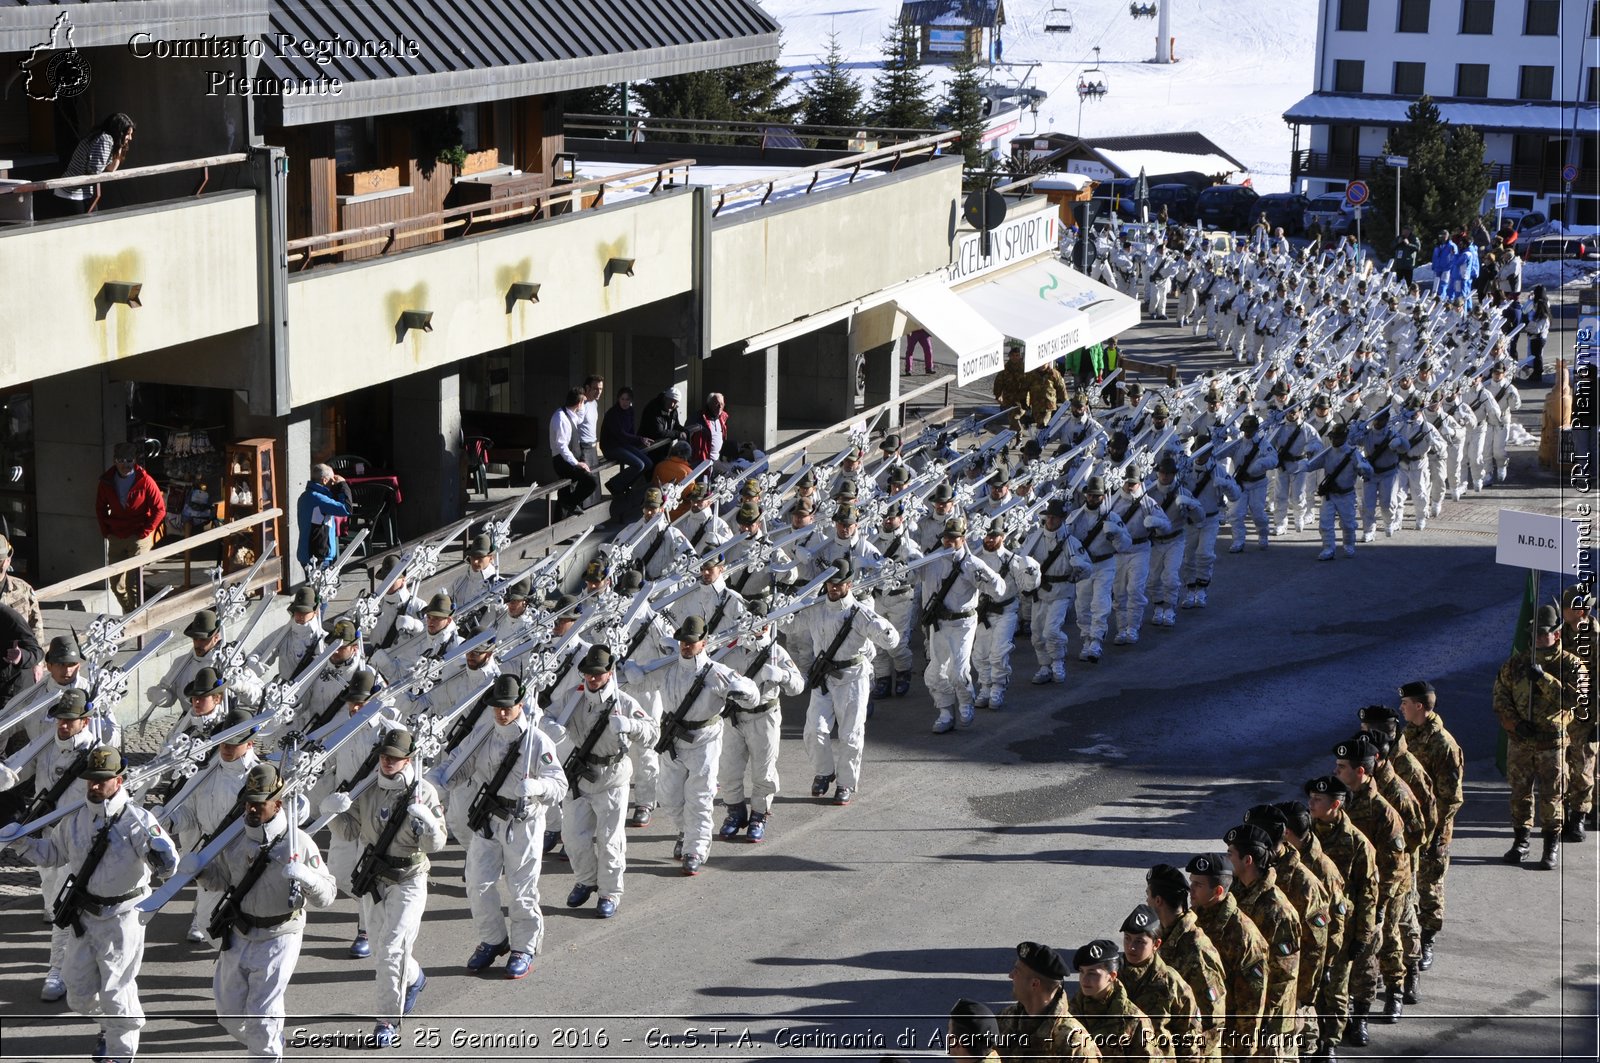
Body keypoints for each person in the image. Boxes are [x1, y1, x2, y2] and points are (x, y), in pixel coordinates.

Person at [5, 745, 178, 1063]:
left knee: (115, 989)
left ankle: (120, 1051)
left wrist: (162, 856)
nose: (95, 786)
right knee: (79, 993)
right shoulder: (74, 820)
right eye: (91, 780)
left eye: (102, 780)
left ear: (119, 780)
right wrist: (21, 841)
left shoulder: (138, 821)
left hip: (123, 917)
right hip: (84, 915)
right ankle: (118, 1023)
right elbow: (53, 854)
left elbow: (169, 867)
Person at [196, 762, 337, 1063]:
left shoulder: (297, 843)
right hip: (239, 932)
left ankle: (267, 1049)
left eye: (260, 803)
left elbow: (328, 895)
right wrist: (199, 872)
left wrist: (309, 879)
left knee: (263, 1015)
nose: (252, 809)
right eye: (248, 802)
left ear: (278, 803)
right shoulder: (233, 840)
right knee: (229, 1014)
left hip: (280, 934)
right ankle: (268, 1040)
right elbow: (222, 879)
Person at [431, 674, 564, 977]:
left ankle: (524, 946)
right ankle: (493, 939)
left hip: (524, 821)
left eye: (508, 707)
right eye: (497, 707)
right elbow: (457, 765)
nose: (502, 713)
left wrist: (538, 786)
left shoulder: (536, 740)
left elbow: (560, 785)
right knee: (477, 883)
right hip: (488, 820)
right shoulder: (483, 734)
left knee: (521, 890)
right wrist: (434, 783)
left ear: (520, 704)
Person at [319, 727, 444, 1047]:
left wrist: (427, 824)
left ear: (409, 759)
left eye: (395, 758)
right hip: (375, 879)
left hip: (409, 880)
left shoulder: (423, 792)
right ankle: (415, 979)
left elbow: (437, 842)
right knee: (383, 949)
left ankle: (388, 1019)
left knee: (392, 949)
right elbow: (349, 832)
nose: (388, 762)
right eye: (385, 757)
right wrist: (330, 812)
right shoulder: (368, 788)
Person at [627, 615, 758, 875]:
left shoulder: (717, 673)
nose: (687, 646)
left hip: (704, 741)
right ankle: (686, 832)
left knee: (699, 798)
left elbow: (750, 695)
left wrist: (743, 690)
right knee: (669, 798)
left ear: (703, 642)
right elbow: (642, 681)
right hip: (673, 740)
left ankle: (695, 849)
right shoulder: (668, 669)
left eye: (692, 642)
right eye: (683, 642)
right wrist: (632, 668)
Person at [551, 646, 654, 916]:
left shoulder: (624, 703)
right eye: (588, 674)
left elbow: (652, 732)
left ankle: (609, 892)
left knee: (610, 841)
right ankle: (586, 880)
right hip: (580, 775)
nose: (593, 679)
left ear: (609, 673)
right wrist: (550, 727)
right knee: (573, 837)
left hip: (612, 777)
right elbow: (547, 716)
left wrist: (631, 726)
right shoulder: (573, 699)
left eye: (598, 674)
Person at [792, 559, 899, 805]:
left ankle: (845, 783)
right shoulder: (816, 608)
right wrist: (784, 609)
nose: (833, 588)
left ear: (849, 584)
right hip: (824, 678)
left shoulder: (861, 614)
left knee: (851, 735)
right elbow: (791, 626)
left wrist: (885, 631)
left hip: (853, 679)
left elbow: (889, 639)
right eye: (830, 583)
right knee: (814, 730)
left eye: (838, 584)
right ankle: (824, 772)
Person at [1493, 604, 1589, 870]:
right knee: (1520, 793)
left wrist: (1544, 679)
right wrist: (1515, 724)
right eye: (1533, 634)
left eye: (1542, 634)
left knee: (1552, 796)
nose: (1536, 639)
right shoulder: (1516, 663)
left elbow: (1577, 700)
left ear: (1556, 635)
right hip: (1521, 741)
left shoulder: (1571, 664)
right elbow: (1500, 696)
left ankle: (1550, 847)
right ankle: (1521, 842)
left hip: (1552, 744)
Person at [717, 599, 804, 841]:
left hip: (764, 716)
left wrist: (783, 675)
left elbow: (798, 686)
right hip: (734, 717)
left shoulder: (776, 653)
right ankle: (734, 812)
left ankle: (758, 815)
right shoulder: (730, 648)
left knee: (763, 772)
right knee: (728, 769)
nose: (756, 629)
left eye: (761, 624)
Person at [1223, 824, 1301, 1063]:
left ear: (1247, 860)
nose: (1226, 859)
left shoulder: (1278, 911)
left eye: (1230, 855)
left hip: (1268, 1020)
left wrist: (1264, 1020)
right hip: (1238, 1011)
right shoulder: (1232, 894)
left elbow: (1284, 974)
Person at [919, 518, 1005, 733]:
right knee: (935, 673)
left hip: (963, 623)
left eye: (954, 538)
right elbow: (912, 575)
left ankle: (966, 701)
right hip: (938, 623)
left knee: (959, 672)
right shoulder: (933, 560)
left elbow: (999, 588)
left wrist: (987, 580)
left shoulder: (972, 564)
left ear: (963, 539)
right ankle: (946, 711)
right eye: (946, 537)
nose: (949, 542)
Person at [1186, 853, 1268, 1058]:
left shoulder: (1243, 935)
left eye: (1198, 885)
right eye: (1191, 882)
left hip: (1229, 1035)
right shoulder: (1194, 918)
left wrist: (1243, 1052)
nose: (1191, 889)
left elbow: (1251, 1003)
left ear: (1218, 891)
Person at [1118, 905, 1201, 1062]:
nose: (1131, 947)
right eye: (1127, 938)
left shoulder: (1171, 983)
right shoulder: (1113, 977)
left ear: (1156, 945)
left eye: (1140, 941)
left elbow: (1189, 1037)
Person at [996, 941, 1100, 1062]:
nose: (1011, 975)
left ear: (1034, 984)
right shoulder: (1006, 1018)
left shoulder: (1076, 1046)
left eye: (1017, 971)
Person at [96, 442, 165, 614]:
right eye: (121, 460)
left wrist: (145, 531)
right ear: (114, 461)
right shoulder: (106, 481)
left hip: (139, 535)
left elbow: (159, 509)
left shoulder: (145, 480)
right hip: (117, 534)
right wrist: (106, 531)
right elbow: (100, 507)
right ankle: (129, 612)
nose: (126, 465)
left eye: (129, 460)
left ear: (134, 460)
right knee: (116, 584)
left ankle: (137, 617)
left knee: (134, 583)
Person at [1068, 940, 1158, 1063]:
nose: (1085, 979)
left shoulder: (1132, 1020)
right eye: (1082, 972)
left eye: (1092, 973)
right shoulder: (1070, 1011)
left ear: (1112, 976)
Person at [50, 113, 135, 216]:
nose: (130, 138)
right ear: (119, 132)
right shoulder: (104, 139)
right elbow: (94, 170)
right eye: (127, 134)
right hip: (71, 192)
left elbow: (111, 168)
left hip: (83, 191)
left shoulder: (105, 138)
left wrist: (120, 145)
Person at [549, 387, 598, 521]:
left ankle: (560, 525)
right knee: (590, 482)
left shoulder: (570, 414)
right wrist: (576, 463)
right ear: (579, 403)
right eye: (583, 402)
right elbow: (562, 445)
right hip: (562, 461)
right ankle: (570, 504)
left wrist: (581, 407)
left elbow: (579, 419)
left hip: (569, 458)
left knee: (564, 494)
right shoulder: (561, 418)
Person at [296, 463, 351, 581]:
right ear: (324, 480)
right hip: (317, 555)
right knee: (321, 595)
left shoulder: (305, 496)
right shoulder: (319, 499)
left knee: (315, 592)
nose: (333, 484)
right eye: (332, 481)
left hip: (307, 553)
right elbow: (346, 508)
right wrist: (343, 484)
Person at [600, 386, 655, 495]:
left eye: (627, 399)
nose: (625, 402)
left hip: (623, 444)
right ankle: (614, 484)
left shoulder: (630, 411)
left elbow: (630, 432)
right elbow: (620, 433)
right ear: (618, 399)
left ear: (631, 401)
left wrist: (639, 441)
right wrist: (640, 439)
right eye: (622, 399)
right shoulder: (613, 413)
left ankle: (625, 484)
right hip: (611, 447)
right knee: (639, 465)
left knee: (648, 463)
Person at [0, 534, 43, 647]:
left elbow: (36, 628)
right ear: (7, 561)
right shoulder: (24, 589)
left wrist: (38, 660)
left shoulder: (22, 589)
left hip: (17, 660)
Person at [691, 392, 730, 468]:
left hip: (718, 461)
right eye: (717, 404)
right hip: (701, 461)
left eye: (722, 404)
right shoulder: (698, 418)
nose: (719, 406)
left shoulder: (723, 417)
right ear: (709, 404)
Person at [1526, 285, 1551, 381]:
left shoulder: (1542, 316)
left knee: (1537, 356)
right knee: (1537, 355)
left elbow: (1537, 328)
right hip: (1539, 337)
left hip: (1537, 337)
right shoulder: (1544, 309)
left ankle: (1537, 373)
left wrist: (1529, 328)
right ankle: (1536, 372)